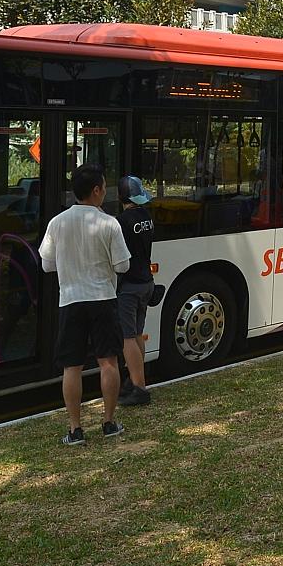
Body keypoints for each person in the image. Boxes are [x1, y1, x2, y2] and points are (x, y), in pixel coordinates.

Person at [41, 164, 130, 445]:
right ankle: (109, 422)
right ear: (96, 190)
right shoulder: (109, 223)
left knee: (72, 366)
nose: (105, 191)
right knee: (108, 362)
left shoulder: (57, 223)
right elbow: (123, 265)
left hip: (70, 300)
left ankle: (75, 428)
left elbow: (46, 265)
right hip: (103, 298)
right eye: (104, 186)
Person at [115, 175, 156, 408]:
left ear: (121, 197)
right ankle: (137, 379)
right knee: (138, 334)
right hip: (147, 282)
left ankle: (138, 388)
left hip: (129, 286)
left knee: (127, 337)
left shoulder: (120, 222)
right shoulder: (147, 217)